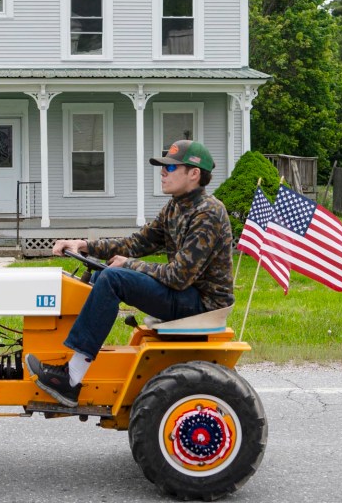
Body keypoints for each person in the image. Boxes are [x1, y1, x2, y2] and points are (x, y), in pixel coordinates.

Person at [26, 139, 234, 407]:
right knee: (103, 275)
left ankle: (71, 379)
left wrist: (129, 264)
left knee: (114, 277)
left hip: (202, 304)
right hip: (185, 294)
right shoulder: (175, 207)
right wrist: (85, 245)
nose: (162, 172)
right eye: (163, 167)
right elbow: (135, 243)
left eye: (170, 168)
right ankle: (65, 358)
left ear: (194, 173)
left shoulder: (208, 213)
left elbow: (179, 276)